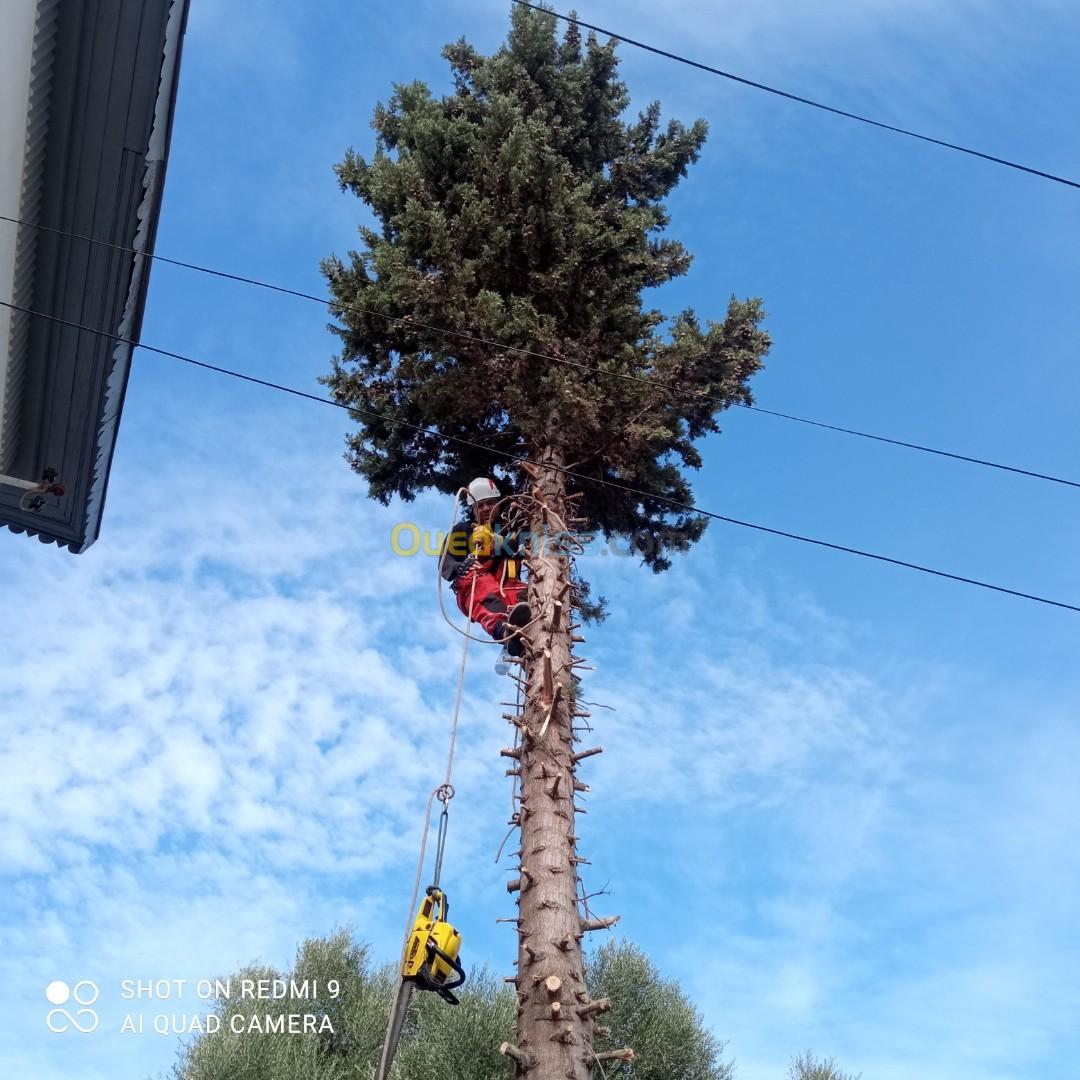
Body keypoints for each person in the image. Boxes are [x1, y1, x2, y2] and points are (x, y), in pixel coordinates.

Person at [440, 477, 531, 656]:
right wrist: (460, 567)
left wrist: (501, 543)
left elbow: (526, 545)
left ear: (498, 503)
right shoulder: (463, 531)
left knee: (530, 600)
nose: (485, 509)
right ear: (473, 510)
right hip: (474, 584)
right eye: (479, 506)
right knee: (479, 582)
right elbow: (446, 561)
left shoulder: (511, 529)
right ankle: (504, 632)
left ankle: (522, 639)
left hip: (509, 584)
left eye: (489, 503)